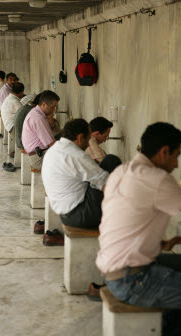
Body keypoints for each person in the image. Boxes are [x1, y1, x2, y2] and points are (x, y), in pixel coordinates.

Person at [96, 122, 181, 336]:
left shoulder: (122, 170)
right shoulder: (159, 180)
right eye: (176, 155)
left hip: (114, 270)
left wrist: (167, 242)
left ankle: (168, 324)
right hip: (132, 281)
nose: (177, 164)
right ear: (164, 151)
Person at [42, 119, 121, 231]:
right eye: (88, 139)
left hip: (64, 215)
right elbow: (106, 184)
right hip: (82, 216)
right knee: (111, 161)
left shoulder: (54, 150)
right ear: (80, 138)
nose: (89, 144)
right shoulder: (77, 155)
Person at [22, 90, 60, 170]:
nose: (53, 110)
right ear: (44, 104)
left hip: (40, 153)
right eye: (52, 107)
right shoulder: (38, 119)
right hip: (39, 158)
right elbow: (51, 144)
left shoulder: (36, 112)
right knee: (70, 162)